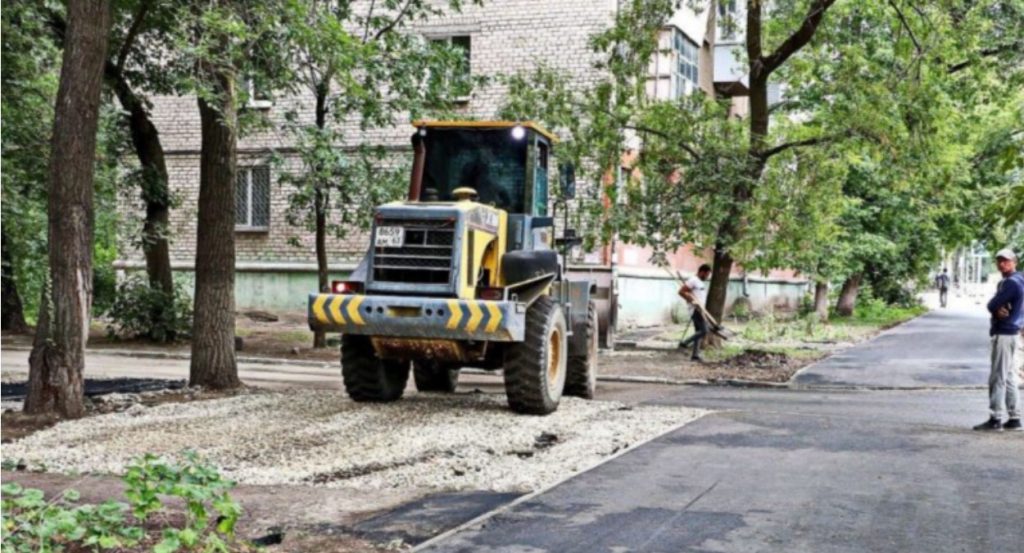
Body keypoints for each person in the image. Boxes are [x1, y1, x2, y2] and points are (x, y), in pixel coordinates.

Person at [974, 249, 1023, 431]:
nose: (1002, 264)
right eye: (999, 261)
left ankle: (995, 418)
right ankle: (1015, 418)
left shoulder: (1010, 283)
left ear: (1014, 262)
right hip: (1013, 331)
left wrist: (994, 307)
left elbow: (992, 304)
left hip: (1004, 332)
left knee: (998, 377)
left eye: (1006, 261)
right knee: (1009, 375)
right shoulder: (1020, 279)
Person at [678, 264, 712, 362]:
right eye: (707, 274)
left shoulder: (700, 282)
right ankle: (685, 342)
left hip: (701, 309)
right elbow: (681, 292)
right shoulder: (693, 280)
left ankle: (695, 355)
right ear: (702, 272)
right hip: (695, 309)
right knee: (704, 330)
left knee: (698, 331)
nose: (707, 277)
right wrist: (691, 301)